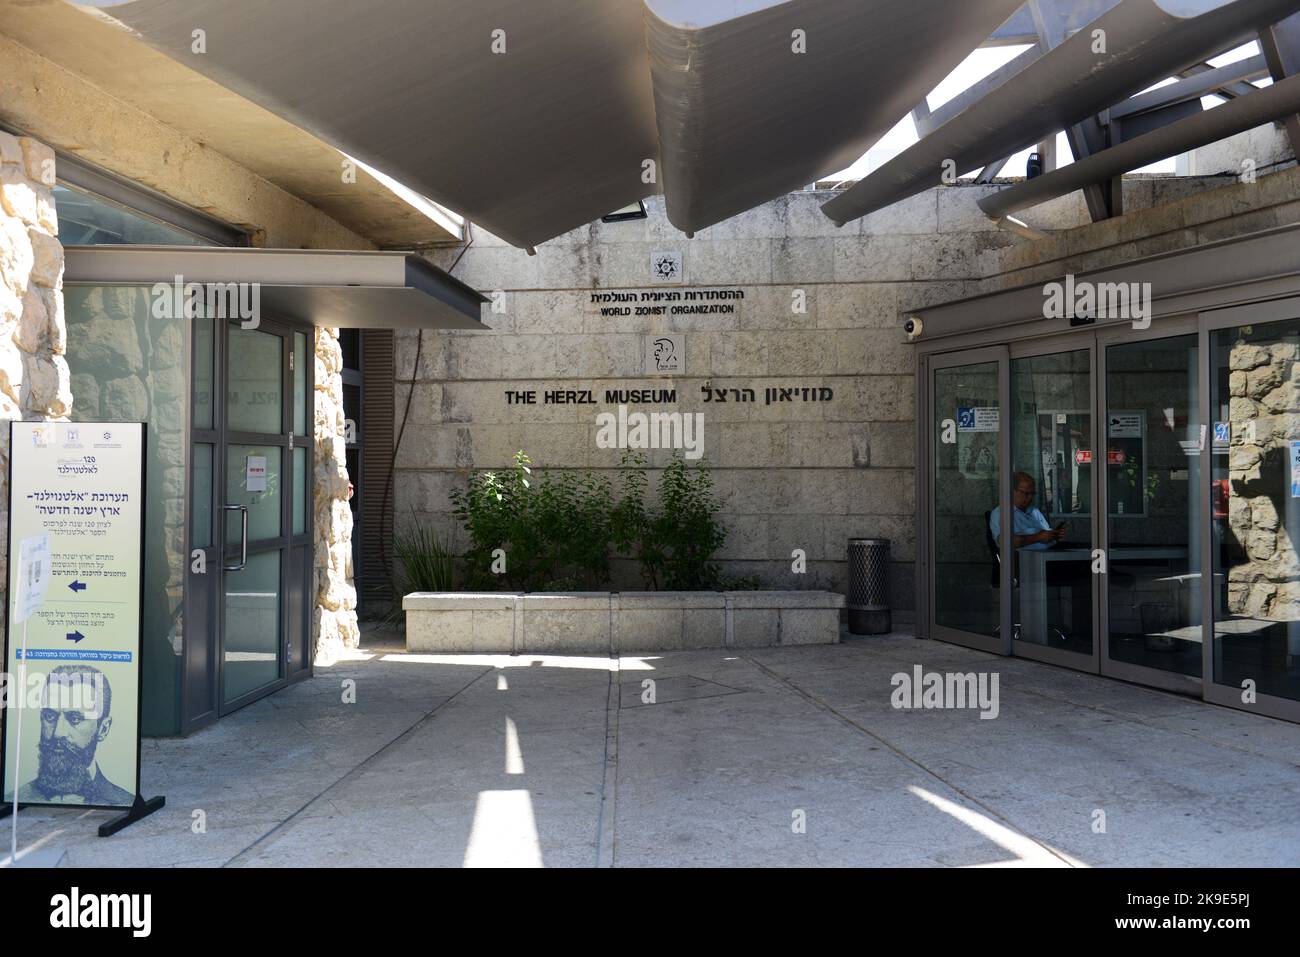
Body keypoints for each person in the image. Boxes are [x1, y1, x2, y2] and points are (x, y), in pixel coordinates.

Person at [17, 665, 133, 806]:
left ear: (103, 729)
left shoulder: (124, 802)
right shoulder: (16, 797)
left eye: (75, 719)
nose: (58, 733)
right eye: (50, 716)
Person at [989, 471, 1066, 550]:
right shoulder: (1001, 513)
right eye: (1025, 493)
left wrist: (1053, 535)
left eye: (1032, 494)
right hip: (1024, 559)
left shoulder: (1034, 511)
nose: (1030, 498)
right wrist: (1037, 537)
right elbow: (1004, 542)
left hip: (1049, 552)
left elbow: (1045, 532)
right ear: (1012, 491)